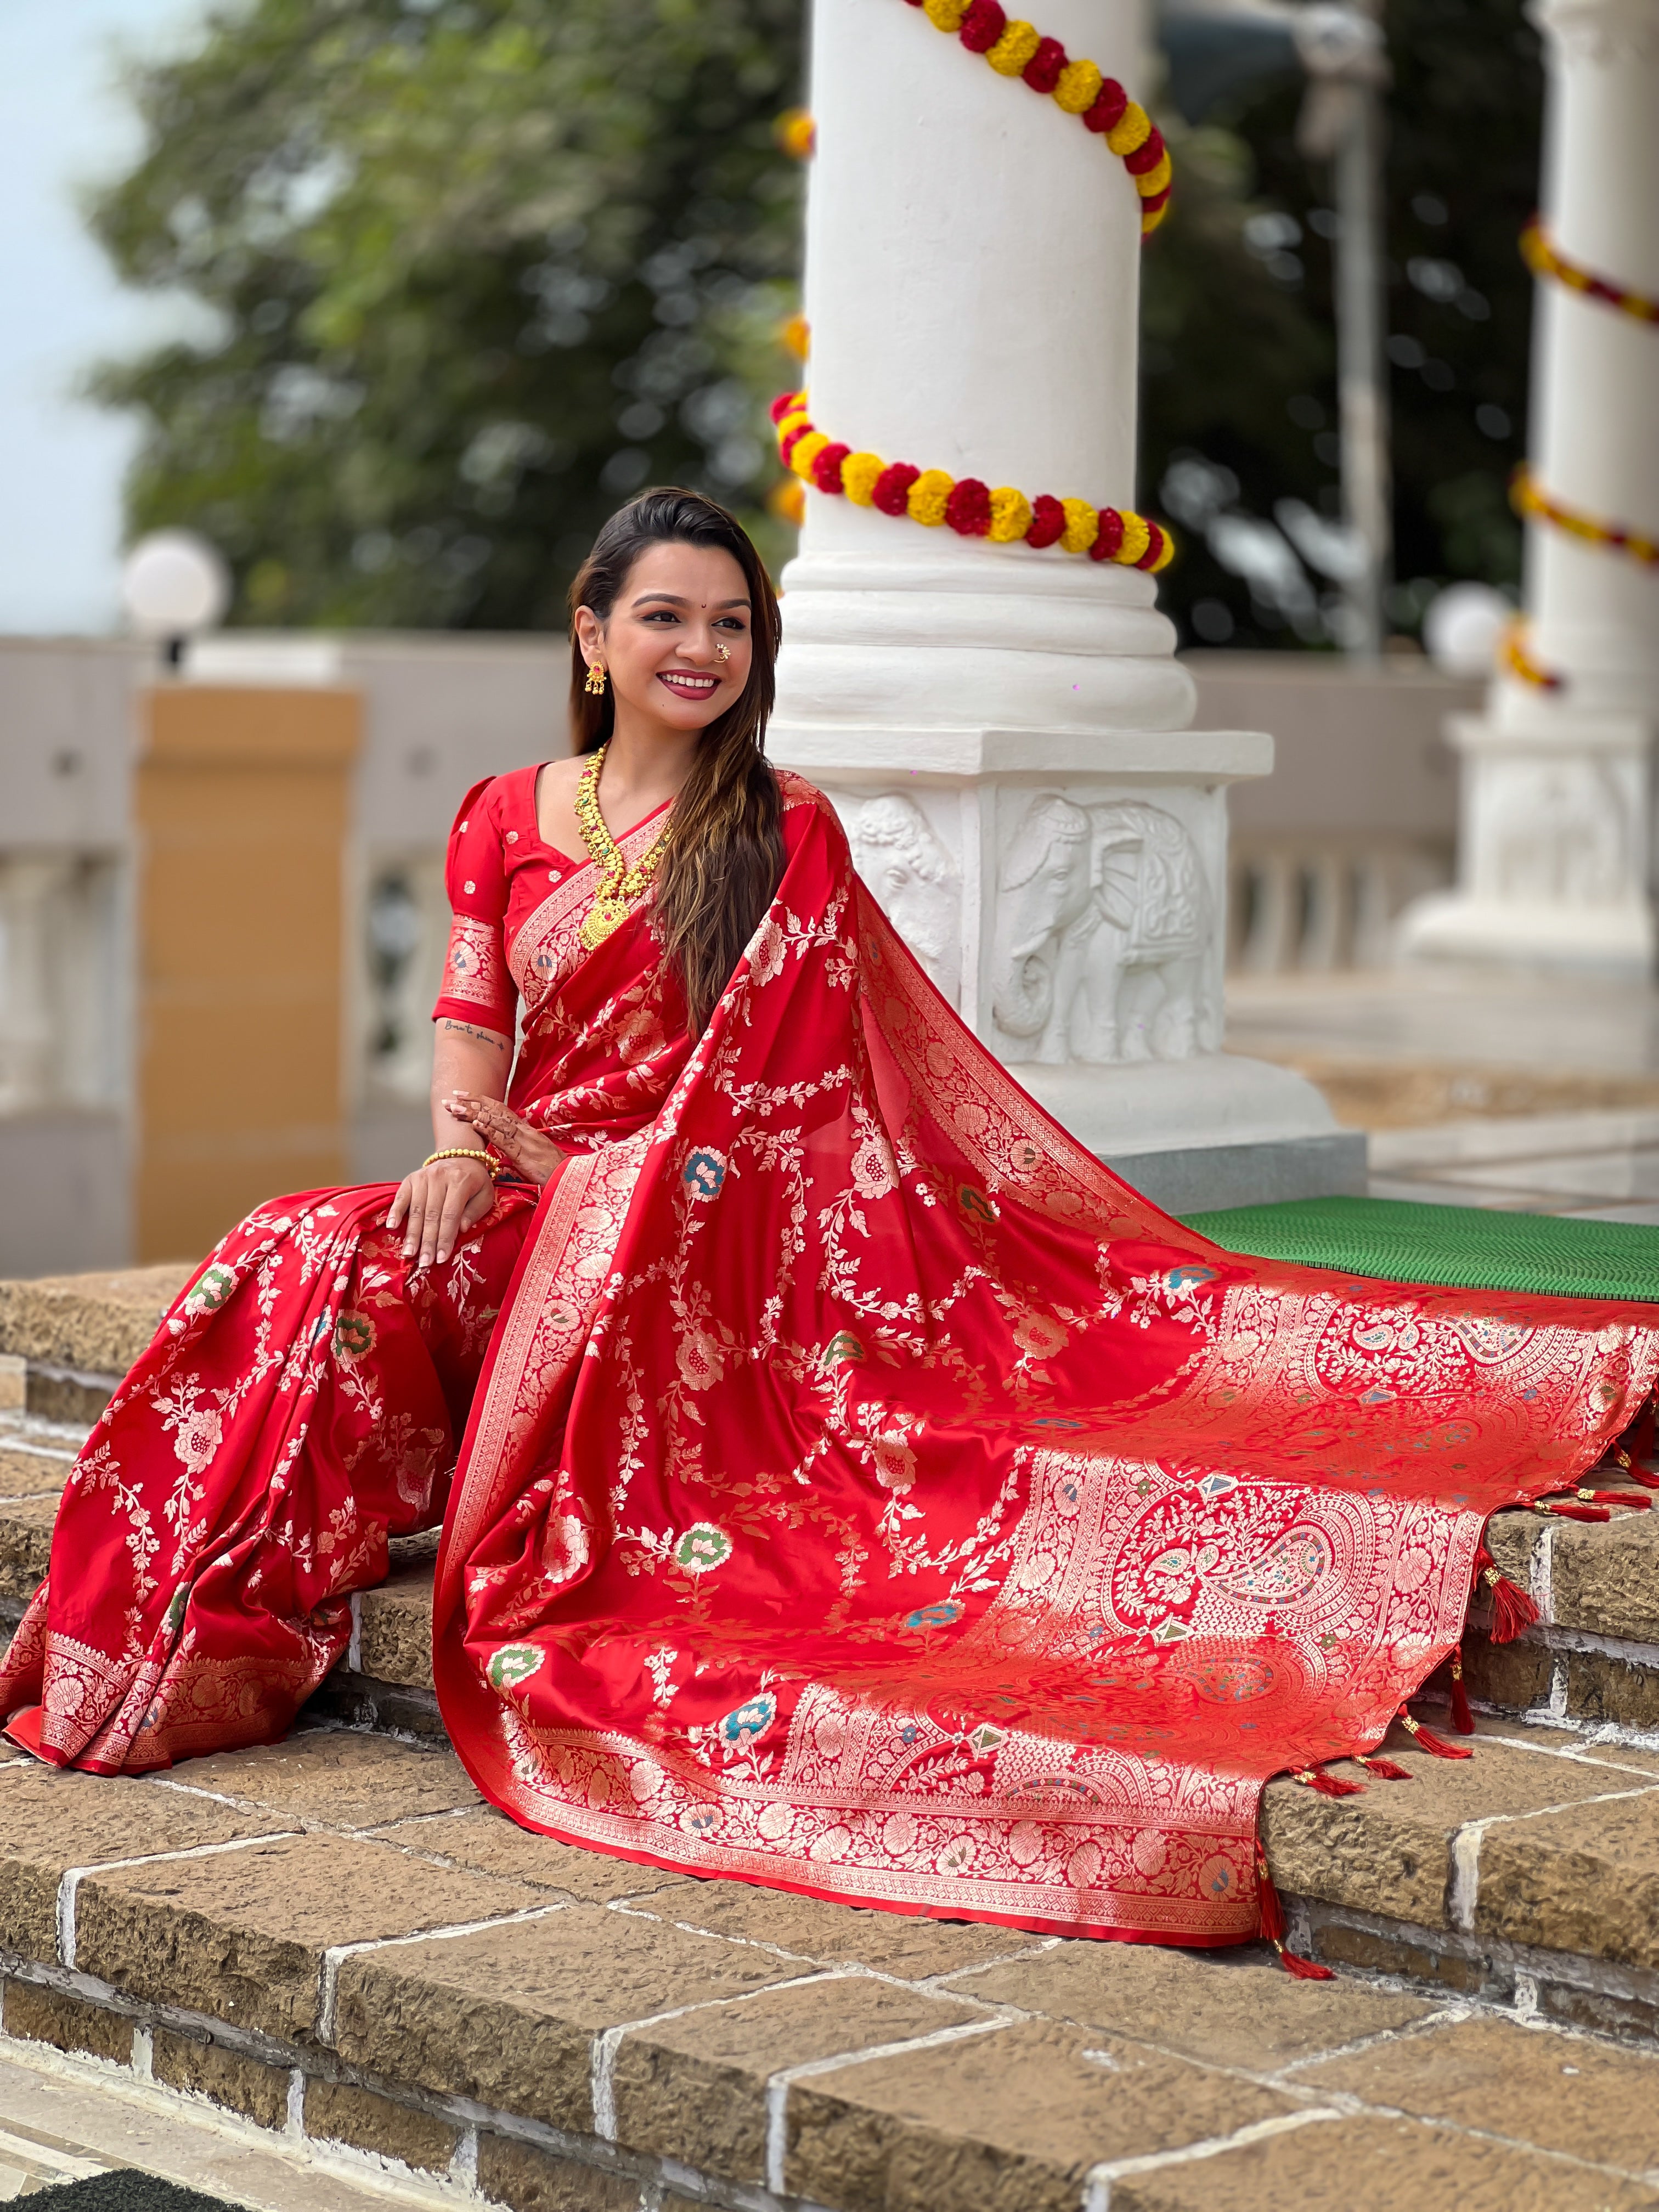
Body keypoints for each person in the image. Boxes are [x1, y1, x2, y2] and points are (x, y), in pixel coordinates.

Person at [4, 488, 1655, 1962]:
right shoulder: (507, 813)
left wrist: (595, 1181)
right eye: (664, 615)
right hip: (517, 1186)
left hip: (668, 1234)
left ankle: (222, 1614)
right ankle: (182, 1628)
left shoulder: (783, 832)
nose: (700, 647)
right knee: (299, 1239)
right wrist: (459, 1150)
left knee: (340, 1261)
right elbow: (470, 1014)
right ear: (591, 633)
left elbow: (785, 1107)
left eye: (732, 622)